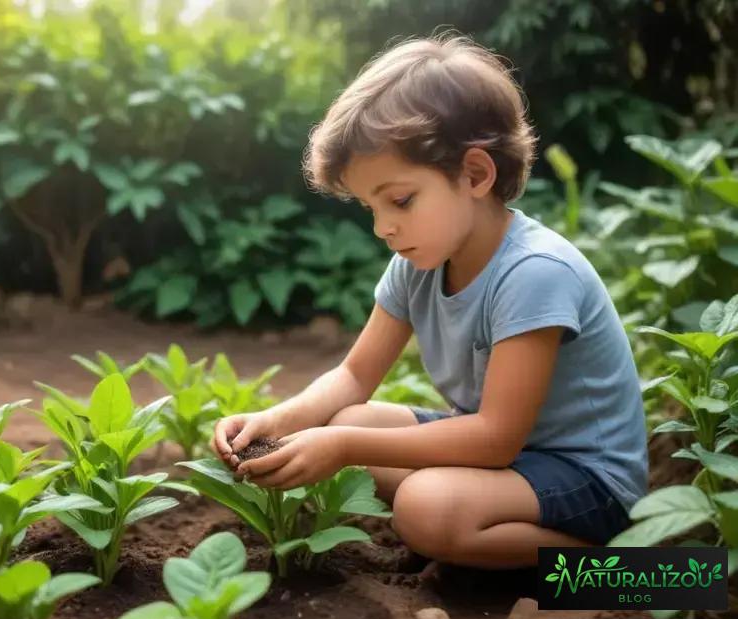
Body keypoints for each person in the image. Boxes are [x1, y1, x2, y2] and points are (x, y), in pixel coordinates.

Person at [210, 33, 648, 570]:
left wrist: (341, 446)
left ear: (475, 174)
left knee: (423, 509)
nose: (383, 227)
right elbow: (353, 376)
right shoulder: (417, 264)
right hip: (510, 465)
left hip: (588, 482)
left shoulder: (535, 271)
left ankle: (629, 572)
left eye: (400, 200)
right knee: (351, 417)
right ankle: (481, 536)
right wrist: (277, 421)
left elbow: (495, 439)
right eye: (371, 208)